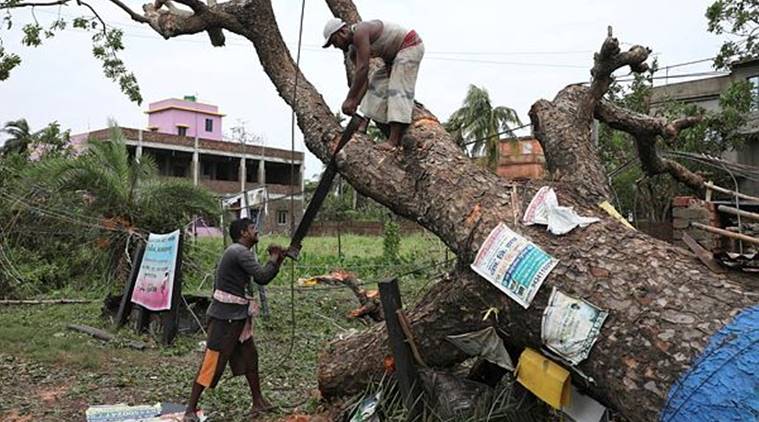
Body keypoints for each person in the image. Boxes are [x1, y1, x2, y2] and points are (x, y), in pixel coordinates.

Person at [183, 218, 292, 421]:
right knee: (213, 361)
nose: (256, 231)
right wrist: (275, 258)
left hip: (237, 315)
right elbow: (261, 277)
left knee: (251, 357)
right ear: (243, 233)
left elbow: (262, 275)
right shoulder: (240, 252)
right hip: (227, 317)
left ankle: (258, 402)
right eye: (252, 228)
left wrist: (278, 259)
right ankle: (190, 409)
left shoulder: (239, 251)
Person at [323, 18, 425, 150]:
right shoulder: (353, 52)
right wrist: (355, 103)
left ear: (342, 32)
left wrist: (350, 99)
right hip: (393, 60)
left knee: (397, 88)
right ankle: (362, 125)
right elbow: (364, 81)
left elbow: (363, 69)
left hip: (410, 45)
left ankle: (392, 142)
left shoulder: (361, 31)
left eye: (334, 41)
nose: (335, 46)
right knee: (376, 83)